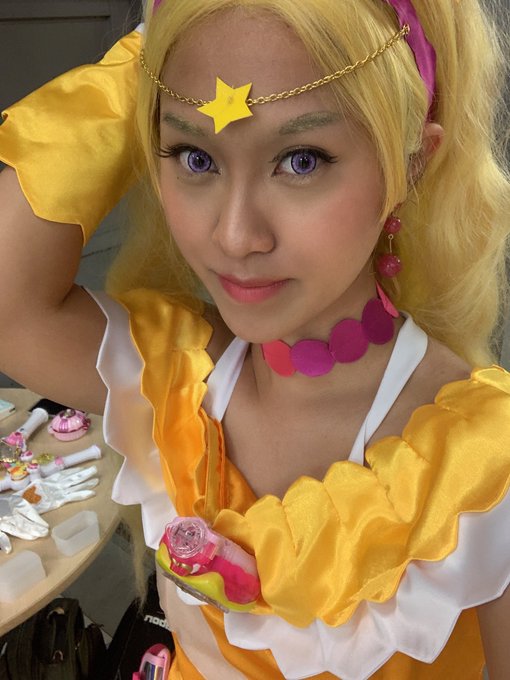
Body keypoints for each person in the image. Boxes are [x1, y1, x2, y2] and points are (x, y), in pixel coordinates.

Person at [0, 0, 509, 677]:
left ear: (411, 165)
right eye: (195, 156)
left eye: (301, 160)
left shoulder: (483, 467)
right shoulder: (177, 376)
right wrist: (149, 58)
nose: (236, 236)